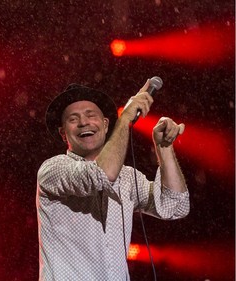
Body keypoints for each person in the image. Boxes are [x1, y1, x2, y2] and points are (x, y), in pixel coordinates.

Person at [36, 81, 190, 280]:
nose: (84, 122)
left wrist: (165, 148)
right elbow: (101, 175)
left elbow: (175, 206)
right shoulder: (53, 169)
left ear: (106, 124)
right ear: (63, 133)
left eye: (91, 115)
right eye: (73, 119)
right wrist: (125, 118)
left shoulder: (126, 177)